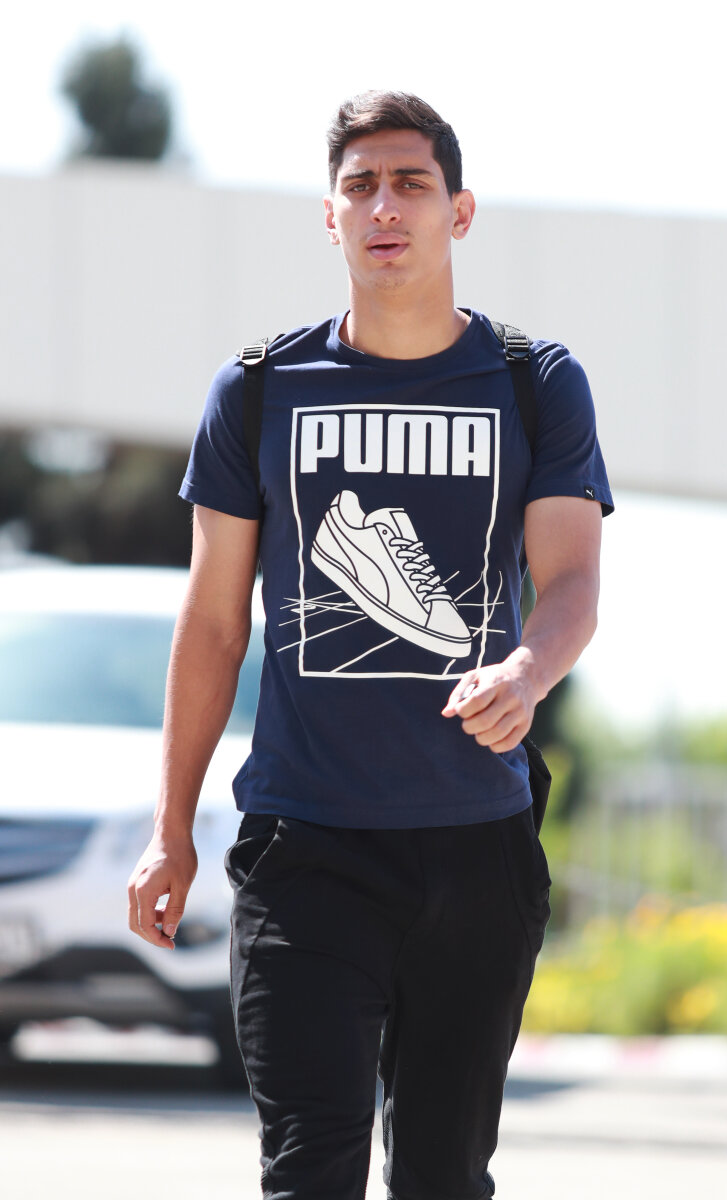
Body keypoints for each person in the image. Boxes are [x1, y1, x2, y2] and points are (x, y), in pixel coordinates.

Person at [128, 91, 613, 1200]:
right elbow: (213, 625)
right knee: (311, 1171)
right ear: (330, 217)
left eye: (411, 183)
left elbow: (573, 579)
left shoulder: (535, 382)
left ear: (459, 212)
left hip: (475, 846)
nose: (384, 206)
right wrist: (169, 831)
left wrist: (526, 668)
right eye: (360, 186)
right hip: (304, 846)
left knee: (443, 1177)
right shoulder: (258, 390)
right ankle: (362, 542)